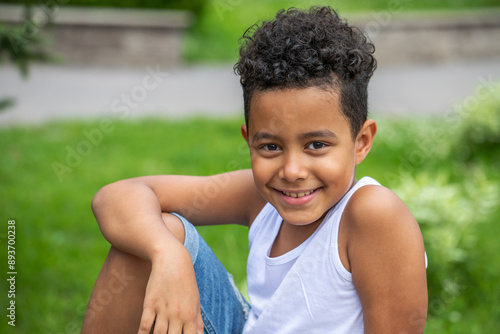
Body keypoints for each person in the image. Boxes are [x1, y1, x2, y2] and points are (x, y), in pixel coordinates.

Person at [81, 6, 428, 334]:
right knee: (153, 237)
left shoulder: (372, 214)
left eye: (316, 145)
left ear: (361, 141)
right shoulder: (258, 195)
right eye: (271, 147)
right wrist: (167, 255)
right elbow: (116, 197)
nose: (292, 171)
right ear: (249, 141)